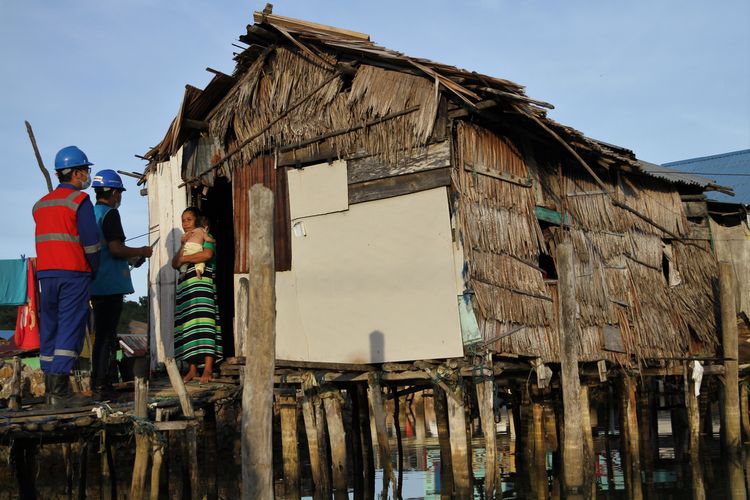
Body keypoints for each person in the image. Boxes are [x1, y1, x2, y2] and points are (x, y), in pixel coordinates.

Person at [32, 145, 100, 408]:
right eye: (85, 170)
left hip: (46, 276)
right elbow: (91, 243)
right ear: (75, 173)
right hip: (73, 273)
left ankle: (51, 390)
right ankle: (61, 392)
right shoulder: (80, 201)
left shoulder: (41, 205)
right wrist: (94, 267)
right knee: (70, 326)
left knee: (50, 327)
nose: (87, 175)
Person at [89, 169, 153, 398]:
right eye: (120, 193)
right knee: (107, 336)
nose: (120, 198)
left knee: (101, 335)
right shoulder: (110, 215)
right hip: (110, 286)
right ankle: (101, 385)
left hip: (95, 283)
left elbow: (108, 250)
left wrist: (133, 257)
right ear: (115, 192)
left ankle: (97, 381)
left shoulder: (91, 214)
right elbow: (116, 249)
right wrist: (142, 251)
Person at [171, 207, 223, 384]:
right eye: (183, 220)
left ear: (197, 221)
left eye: (189, 220)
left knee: (206, 324)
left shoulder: (204, 235)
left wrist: (184, 259)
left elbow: (207, 254)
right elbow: (174, 263)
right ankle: (192, 369)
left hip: (202, 286)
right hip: (186, 289)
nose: (185, 224)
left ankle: (208, 368)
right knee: (188, 328)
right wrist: (183, 247)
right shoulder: (186, 241)